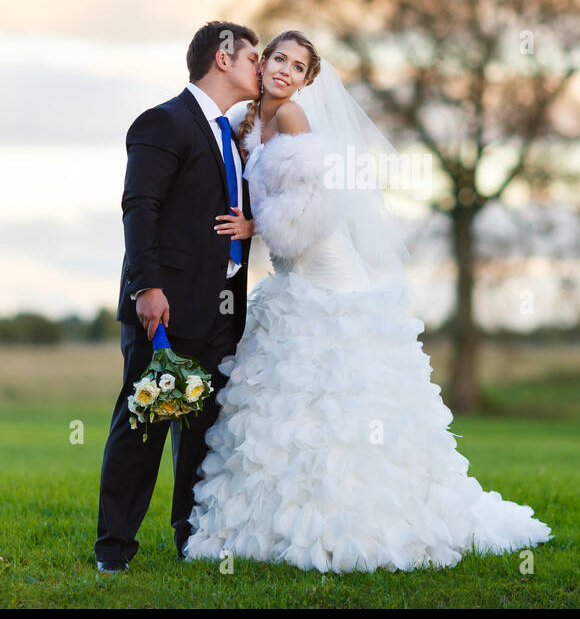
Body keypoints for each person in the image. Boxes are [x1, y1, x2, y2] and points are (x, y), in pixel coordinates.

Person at [184, 30, 553, 573]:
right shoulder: (246, 123)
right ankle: (276, 519)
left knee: (341, 389)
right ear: (261, 65)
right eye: (278, 59)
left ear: (310, 79)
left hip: (327, 274)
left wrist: (252, 226)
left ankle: (363, 514)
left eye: (298, 66)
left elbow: (314, 211)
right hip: (290, 281)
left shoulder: (292, 120)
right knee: (289, 397)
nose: (285, 70)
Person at [93, 20, 260, 572]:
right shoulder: (162, 122)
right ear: (223, 57)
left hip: (223, 312)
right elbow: (140, 207)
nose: (260, 67)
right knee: (146, 427)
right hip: (166, 308)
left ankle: (191, 538)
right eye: (253, 57)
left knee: (201, 433)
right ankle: (113, 550)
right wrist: (147, 287)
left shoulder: (232, 135)